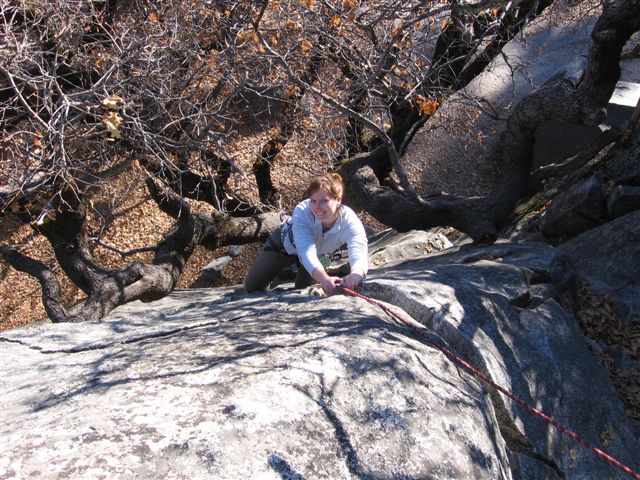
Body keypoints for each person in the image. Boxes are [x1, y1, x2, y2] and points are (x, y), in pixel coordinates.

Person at [244, 173, 368, 295]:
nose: (317, 207)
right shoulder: (303, 211)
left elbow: (359, 247)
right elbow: (306, 250)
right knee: (252, 287)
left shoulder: (349, 220)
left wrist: (357, 273)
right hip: (283, 247)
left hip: (318, 254)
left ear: (338, 200)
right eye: (313, 201)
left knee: (306, 291)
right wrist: (325, 279)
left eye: (324, 201)